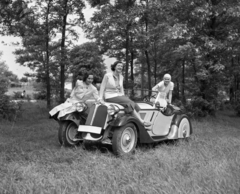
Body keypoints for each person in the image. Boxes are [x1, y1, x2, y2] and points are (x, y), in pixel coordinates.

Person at [99, 61, 151, 127]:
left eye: (121, 66)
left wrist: (124, 97)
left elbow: (121, 88)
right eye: (118, 66)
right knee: (129, 103)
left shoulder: (121, 77)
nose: (120, 67)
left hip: (118, 95)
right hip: (110, 96)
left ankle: (131, 120)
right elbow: (102, 87)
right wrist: (100, 98)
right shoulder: (107, 75)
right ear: (114, 67)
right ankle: (141, 121)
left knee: (134, 104)